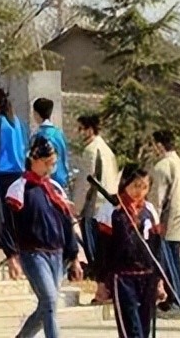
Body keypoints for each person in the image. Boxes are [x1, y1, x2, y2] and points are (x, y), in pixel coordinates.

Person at [3, 136, 83, 338]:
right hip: (34, 253)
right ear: (34, 160)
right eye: (47, 163)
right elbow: (9, 225)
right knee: (49, 299)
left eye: (53, 164)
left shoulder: (54, 188)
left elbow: (66, 223)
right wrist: (12, 256)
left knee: (48, 305)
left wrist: (74, 256)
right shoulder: (19, 189)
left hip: (57, 254)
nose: (50, 168)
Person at [94, 164, 167, 338]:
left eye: (144, 187)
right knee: (131, 331)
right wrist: (101, 281)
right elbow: (102, 249)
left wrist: (159, 280)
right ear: (125, 183)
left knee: (144, 330)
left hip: (147, 276)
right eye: (135, 186)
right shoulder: (111, 209)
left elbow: (157, 248)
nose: (139, 191)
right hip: (123, 277)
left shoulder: (149, 210)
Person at [148, 129, 180, 312]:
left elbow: (157, 200)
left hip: (168, 221)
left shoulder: (163, 166)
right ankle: (178, 300)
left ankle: (178, 301)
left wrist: (152, 221)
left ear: (159, 145)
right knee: (174, 260)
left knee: (169, 261)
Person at [72, 114, 119, 275]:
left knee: (93, 245)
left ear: (90, 130)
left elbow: (85, 182)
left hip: (94, 205)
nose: (79, 133)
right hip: (108, 203)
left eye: (81, 129)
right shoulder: (106, 149)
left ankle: (96, 273)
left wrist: (77, 207)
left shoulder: (91, 150)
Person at [0, 88, 28, 248]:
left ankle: (9, 243)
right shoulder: (18, 122)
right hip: (19, 169)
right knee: (17, 207)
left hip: (1, 171)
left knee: (4, 210)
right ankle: (20, 240)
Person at [31, 98, 68, 189]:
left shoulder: (39, 135)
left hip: (46, 181)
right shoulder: (59, 133)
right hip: (62, 179)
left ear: (36, 114)